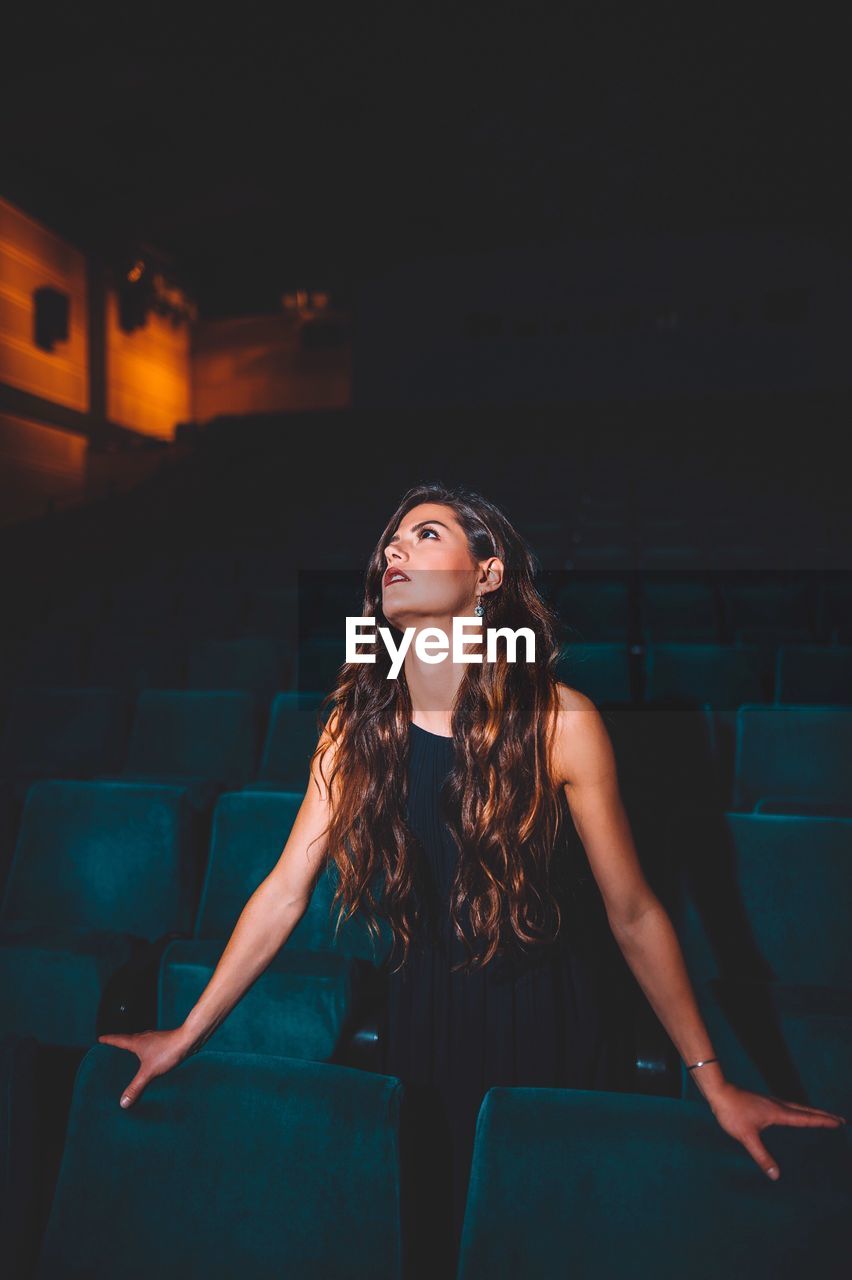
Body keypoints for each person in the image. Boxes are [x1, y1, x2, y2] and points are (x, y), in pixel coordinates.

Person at [99, 482, 846, 1270]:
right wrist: (188, 1031)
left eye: (423, 535)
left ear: (486, 576)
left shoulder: (563, 721)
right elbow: (286, 890)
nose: (393, 551)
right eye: (389, 542)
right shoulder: (354, 727)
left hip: (554, 1034)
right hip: (421, 1033)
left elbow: (634, 913)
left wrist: (712, 1081)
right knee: (430, 1242)